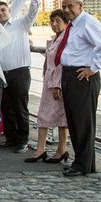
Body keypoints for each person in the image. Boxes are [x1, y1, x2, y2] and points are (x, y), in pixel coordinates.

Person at [58, 0, 101, 176]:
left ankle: (82, 164)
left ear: (80, 5)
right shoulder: (73, 25)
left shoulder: (88, 22)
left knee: (83, 122)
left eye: (70, 6)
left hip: (82, 77)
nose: (66, 10)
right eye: (64, 7)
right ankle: (84, 162)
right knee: (74, 121)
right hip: (69, 75)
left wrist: (93, 68)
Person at [0, 0, 41, 153]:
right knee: (6, 107)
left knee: (20, 106)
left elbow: (32, 14)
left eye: (3, 10)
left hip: (20, 71)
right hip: (2, 73)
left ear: (9, 11)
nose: (0, 13)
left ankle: (22, 140)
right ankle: (10, 138)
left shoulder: (21, 24)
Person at [25, 9, 70, 163]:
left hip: (57, 84)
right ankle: (46, 149)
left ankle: (56, 149)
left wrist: (57, 85)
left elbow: (62, 64)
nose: (54, 24)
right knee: (48, 115)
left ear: (66, 22)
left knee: (58, 116)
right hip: (49, 82)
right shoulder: (56, 39)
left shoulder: (67, 39)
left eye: (58, 21)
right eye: (52, 21)